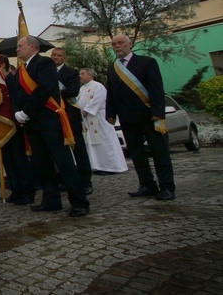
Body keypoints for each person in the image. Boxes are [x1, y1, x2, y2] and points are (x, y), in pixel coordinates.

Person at [11, 36, 89, 217]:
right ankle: (51, 201)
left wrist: (26, 112)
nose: (17, 49)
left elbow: (44, 89)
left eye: (20, 46)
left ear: (32, 47)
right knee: (42, 165)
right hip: (32, 125)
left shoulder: (44, 63)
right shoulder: (22, 70)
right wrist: (17, 112)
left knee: (64, 163)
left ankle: (79, 202)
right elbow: (15, 94)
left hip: (49, 123)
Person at [106, 34, 176, 201]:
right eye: (114, 44)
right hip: (127, 118)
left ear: (129, 44)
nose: (117, 46)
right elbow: (112, 92)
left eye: (121, 43)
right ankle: (147, 184)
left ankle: (167, 187)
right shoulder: (113, 67)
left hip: (148, 116)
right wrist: (110, 113)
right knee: (137, 154)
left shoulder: (146, 62)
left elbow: (156, 88)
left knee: (159, 153)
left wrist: (158, 112)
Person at [51, 48, 93, 194]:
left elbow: (73, 90)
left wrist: (52, 94)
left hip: (70, 115)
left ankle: (85, 181)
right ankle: (64, 180)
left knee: (78, 149)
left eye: (59, 55)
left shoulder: (71, 72)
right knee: (60, 150)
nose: (56, 57)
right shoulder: (47, 72)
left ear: (64, 58)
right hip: (54, 115)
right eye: (54, 55)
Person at [0, 55, 36, 205]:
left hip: (14, 124)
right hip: (2, 126)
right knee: (8, 161)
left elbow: (17, 100)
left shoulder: (12, 79)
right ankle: (15, 190)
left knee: (19, 160)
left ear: (1, 64)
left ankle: (27, 192)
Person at [77, 68, 128, 174]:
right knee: (93, 143)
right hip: (88, 120)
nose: (80, 76)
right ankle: (98, 165)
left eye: (82, 73)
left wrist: (86, 110)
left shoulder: (98, 86)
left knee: (106, 142)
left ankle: (113, 166)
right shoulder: (82, 88)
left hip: (99, 119)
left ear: (90, 75)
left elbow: (97, 100)